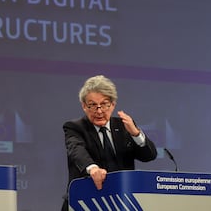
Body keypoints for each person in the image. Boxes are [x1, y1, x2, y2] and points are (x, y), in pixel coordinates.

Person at [61, 75, 157, 210]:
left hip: (121, 202)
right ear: (84, 106)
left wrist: (135, 133)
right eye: (93, 105)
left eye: (104, 104)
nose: (99, 111)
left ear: (113, 104)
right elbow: (76, 150)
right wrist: (92, 168)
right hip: (84, 202)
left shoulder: (124, 126)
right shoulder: (74, 127)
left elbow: (149, 155)